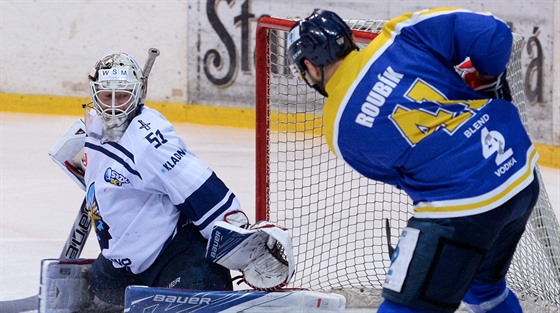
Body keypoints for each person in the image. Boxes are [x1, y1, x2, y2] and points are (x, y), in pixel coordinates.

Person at [287, 8, 540, 313]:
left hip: (463, 204)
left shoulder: (338, 128)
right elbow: (494, 34)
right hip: (519, 169)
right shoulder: (401, 34)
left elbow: (408, 174)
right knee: (483, 288)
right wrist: (487, 81)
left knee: (402, 309)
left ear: (311, 67)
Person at [82, 51, 250, 309]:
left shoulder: (150, 144)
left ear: (138, 93)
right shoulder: (93, 127)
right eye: (107, 96)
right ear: (95, 94)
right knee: (98, 288)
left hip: (176, 257)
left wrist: (246, 249)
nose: (114, 105)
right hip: (127, 262)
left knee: (202, 295)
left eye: (123, 96)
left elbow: (202, 192)